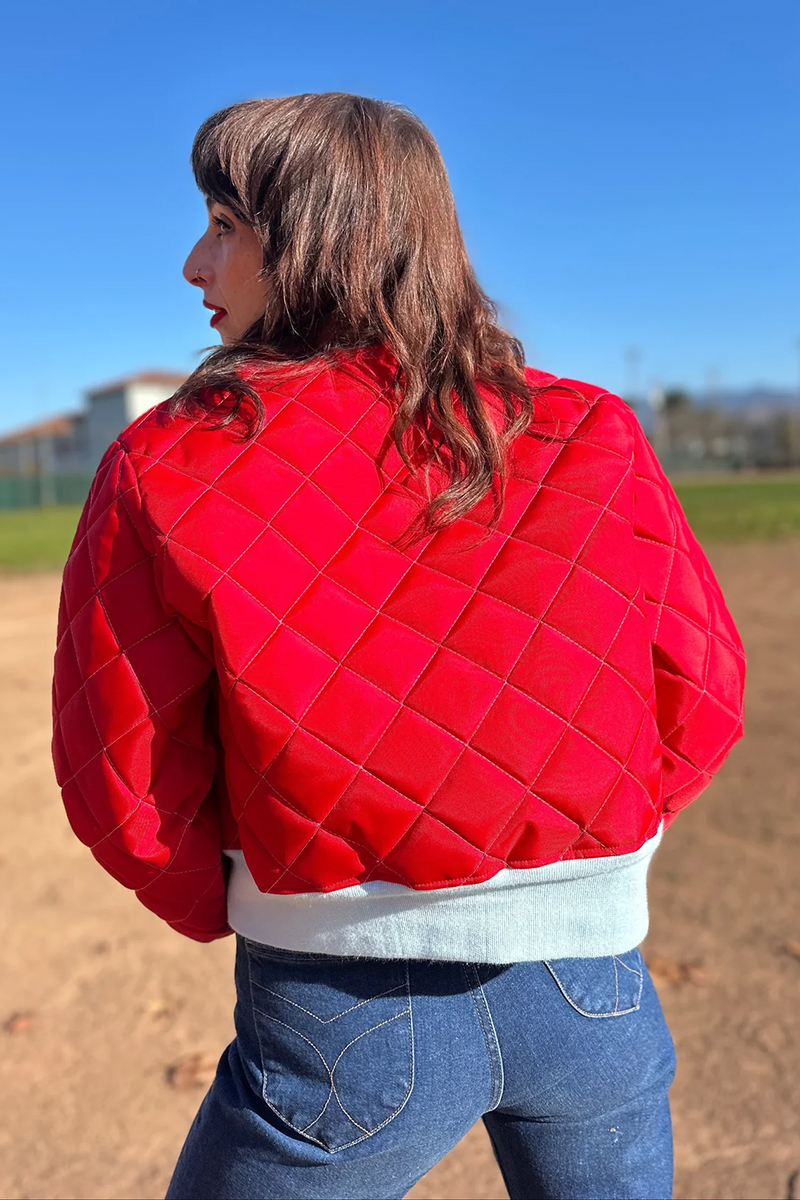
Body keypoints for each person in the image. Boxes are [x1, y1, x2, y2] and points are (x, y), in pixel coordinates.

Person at [52, 94, 745, 1200]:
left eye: (224, 225)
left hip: (338, 1011)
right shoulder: (589, 429)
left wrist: (246, 901)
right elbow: (701, 695)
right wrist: (585, 858)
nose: (194, 263)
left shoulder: (167, 460)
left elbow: (124, 775)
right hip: (592, 987)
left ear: (317, 236)